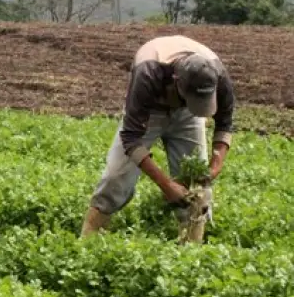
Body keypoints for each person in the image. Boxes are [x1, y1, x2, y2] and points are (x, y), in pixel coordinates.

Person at [82, 35, 236, 239]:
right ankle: (88, 241)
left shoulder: (217, 76)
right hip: (150, 111)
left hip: (187, 115)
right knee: (115, 177)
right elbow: (131, 137)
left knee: (198, 189)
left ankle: (192, 252)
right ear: (176, 81)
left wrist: (214, 168)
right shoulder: (148, 73)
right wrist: (166, 185)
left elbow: (225, 123)